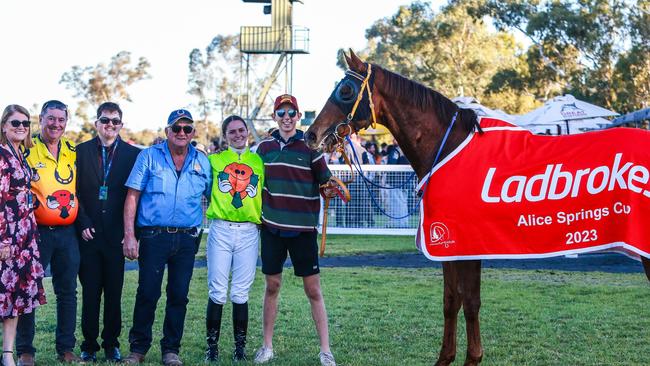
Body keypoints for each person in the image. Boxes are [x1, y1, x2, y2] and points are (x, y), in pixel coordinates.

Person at [121, 109, 211, 366]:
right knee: (148, 292)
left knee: (179, 295)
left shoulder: (202, 161)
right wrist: (129, 235)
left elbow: (216, 195)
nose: (181, 133)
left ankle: (171, 350)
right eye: (176, 128)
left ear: (193, 132)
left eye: (187, 128)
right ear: (167, 131)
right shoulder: (149, 156)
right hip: (153, 236)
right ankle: (137, 349)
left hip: (186, 239)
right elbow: (132, 197)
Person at [254, 94, 337, 366]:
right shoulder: (264, 149)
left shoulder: (311, 147)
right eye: (281, 113)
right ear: (275, 116)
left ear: (298, 116)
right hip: (272, 229)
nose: (287, 118)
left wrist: (330, 189)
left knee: (313, 290)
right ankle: (267, 346)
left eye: (291, 113)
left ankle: (325, 350)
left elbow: (325, 182)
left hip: (303, 230)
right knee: (272, 286)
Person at [17, 100, 83, 365]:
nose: (56, 124)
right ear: (41, 119)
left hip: (67, 233)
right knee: (29, 290)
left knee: (68, 291)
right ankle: (25, 351)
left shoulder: (71, 150)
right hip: (36, 233)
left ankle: (66, 349)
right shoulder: (27, 148)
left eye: (61, 119)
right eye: (51, 118)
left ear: (66, 122)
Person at [75, 102, 140, 363]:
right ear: (96, 123)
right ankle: (89, 345)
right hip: (88, 235)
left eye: (115, 121)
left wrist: (131, 232)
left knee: (114, 293)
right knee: (90, 293)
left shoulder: (134, 155)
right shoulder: (79, 152)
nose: (109, 125)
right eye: (105, 120)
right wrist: (82, 221)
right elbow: (73, 192)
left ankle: (111, 343)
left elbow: (136, 196)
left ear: (121, 125)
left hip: (116, 236)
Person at [204, 115, 264, 362]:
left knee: (240, 292)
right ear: (225, 135)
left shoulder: (259, 161)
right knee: (217, 290)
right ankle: (212, 349)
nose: (238, 135)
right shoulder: (214, 160)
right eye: (232, 132)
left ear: (247, 131)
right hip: (221, 229)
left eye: (241, 130)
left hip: (249, 231)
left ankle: (240, 349)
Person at [0, 105, 47, 366]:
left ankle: (8, 354)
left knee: (15, 297)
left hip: (26, 236)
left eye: (25, 123)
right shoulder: (1, 156)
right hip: (7, 236)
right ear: (4, 125)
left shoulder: (21, 155)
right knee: (2, 294)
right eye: (15, 122)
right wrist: (3, 239)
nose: (21, 127)